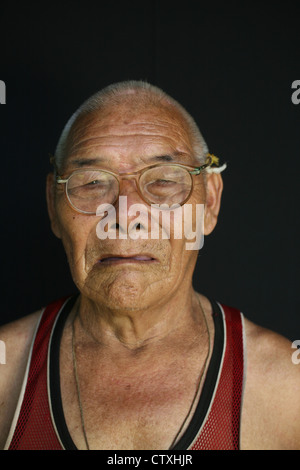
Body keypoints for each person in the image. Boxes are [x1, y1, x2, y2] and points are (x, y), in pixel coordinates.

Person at [0, 81, 299, 450]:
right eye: (92, 182)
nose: (124, 214)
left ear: (210, 202)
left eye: (162, 181)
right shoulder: (5, 372)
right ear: (52, 205)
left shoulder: (286, 389)